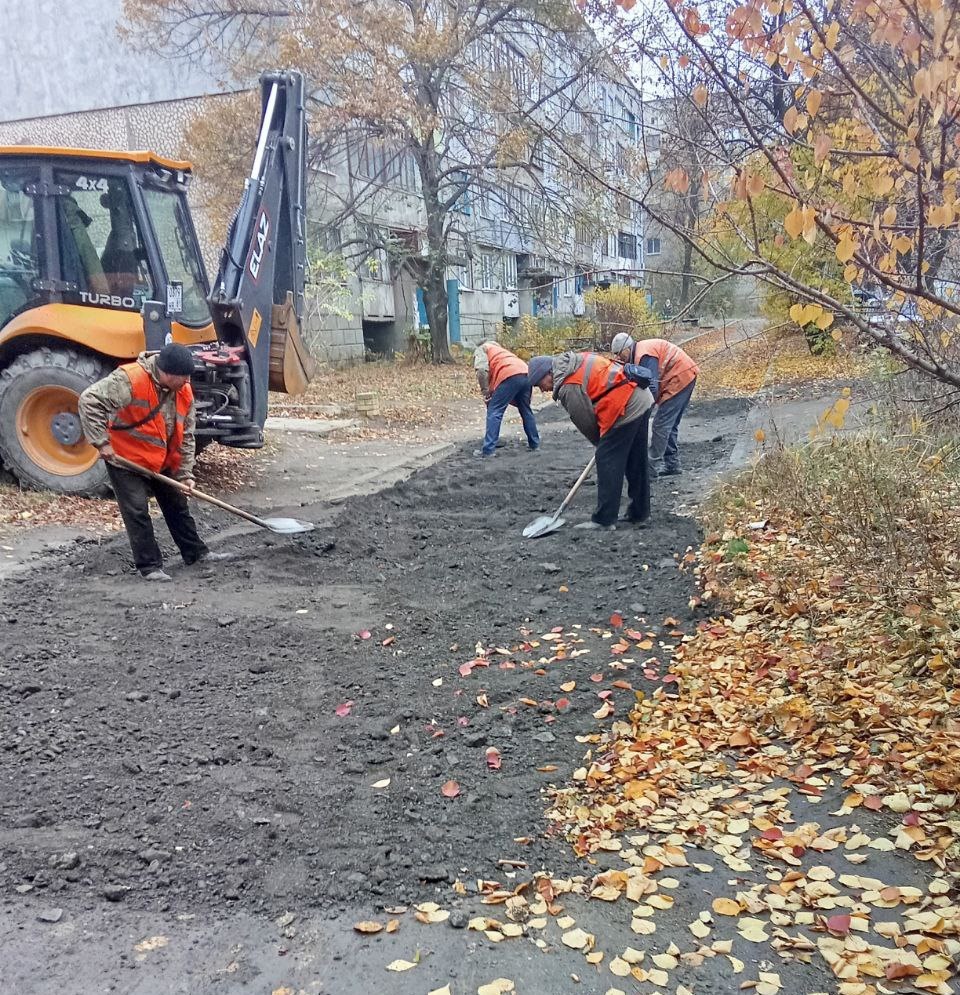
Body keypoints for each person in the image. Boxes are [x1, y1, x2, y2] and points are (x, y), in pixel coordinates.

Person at [78, 343, 229, 582]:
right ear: (167, 373)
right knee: (137, 510)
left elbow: (186, 436)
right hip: (126, 459)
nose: (187, 381)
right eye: (183, 376)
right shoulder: (130, 380)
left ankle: (196, 553)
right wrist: (101, 442)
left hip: (161, 459)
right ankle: (150, 567)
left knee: (177, 504)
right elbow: (89, 401)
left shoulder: (183, 391)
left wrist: (185, 474)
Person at [527, 352, 654, 531]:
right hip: (640, 396)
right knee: (635, 460)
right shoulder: (574, 362)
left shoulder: (568, 386)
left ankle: (604, 520)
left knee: (607, 460)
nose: (543, 390)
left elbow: (587, 423)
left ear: (548, 374)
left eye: (540, 384)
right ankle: (640, 514)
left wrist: (604, 448)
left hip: (625, 404)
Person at [611, 333, 699, 477]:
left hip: (680, 376)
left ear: (627, 348)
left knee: (661, 424)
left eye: (619, 353)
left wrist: (640, 413)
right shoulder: (637, 355)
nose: (618, 358)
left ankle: (649, 468)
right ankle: (672, 464)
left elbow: (652, 388)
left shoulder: (644, 355)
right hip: (682, 375)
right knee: (668, 424)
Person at [473, 341, 540, 458]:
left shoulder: (483, 349)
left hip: (509, 374)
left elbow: (481, 371)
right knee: (525, 410)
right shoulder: (502, 352)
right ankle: (534, 444)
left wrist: (485, 391)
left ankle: (488, 450)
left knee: (495, 411)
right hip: (526, 373)